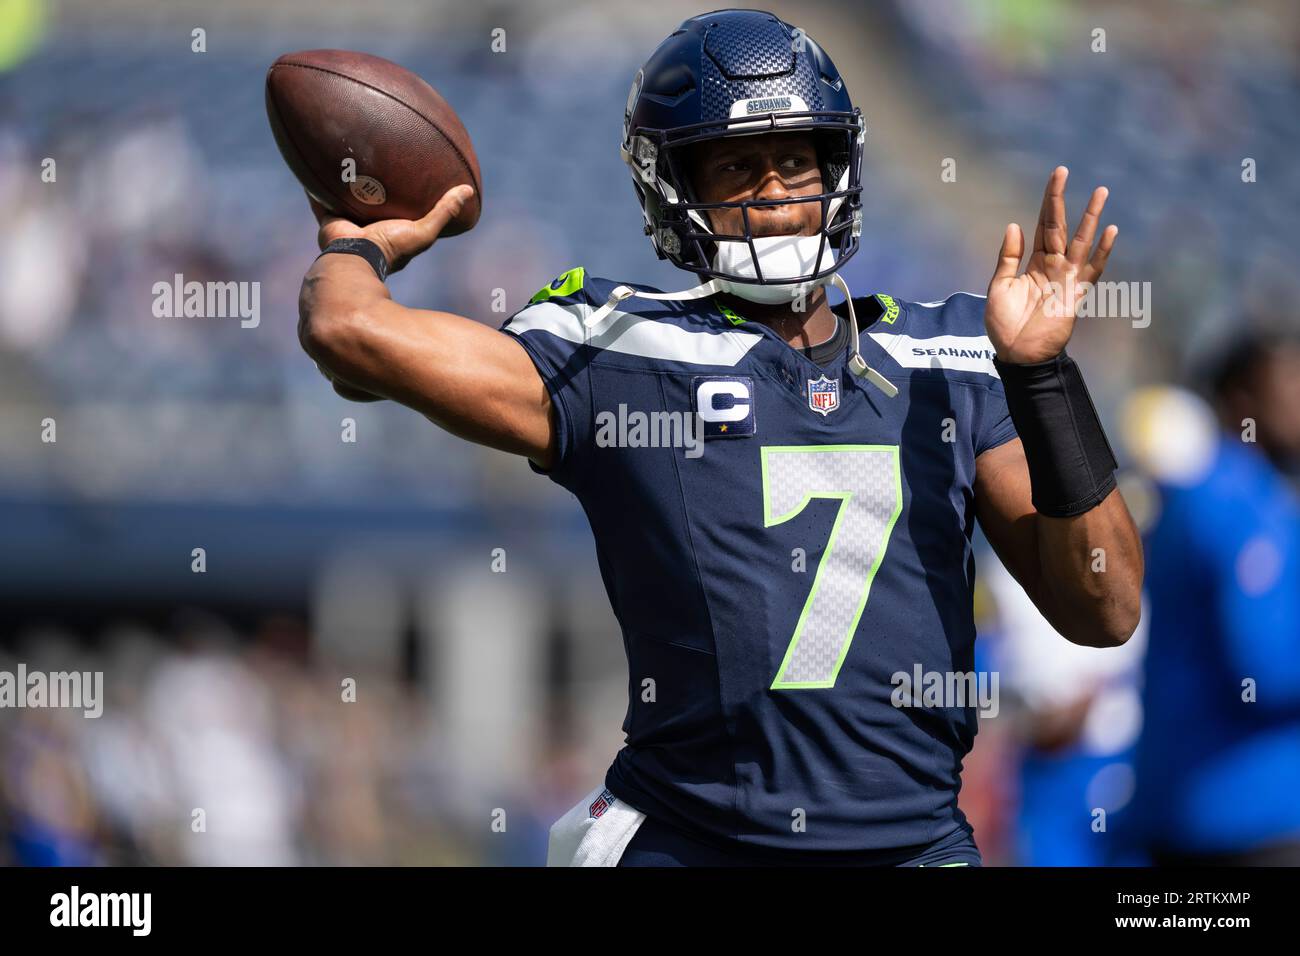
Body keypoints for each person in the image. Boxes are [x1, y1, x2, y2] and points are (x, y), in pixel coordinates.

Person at [296, 9, 1142, 866]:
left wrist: (1043, 374)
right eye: (737, 165)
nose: (774, 191)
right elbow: (349, 334)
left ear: (838, 169)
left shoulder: (949, 352)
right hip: (693, 840)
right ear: (674, 187)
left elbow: (1104, 609)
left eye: (794, 160)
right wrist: (360, 244)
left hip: (915, 846)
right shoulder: (618, 347)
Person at [1124, 338, 1300, 865]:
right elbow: (1268, 669)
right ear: (1241, 398)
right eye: (1289, 383)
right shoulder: (1243, 502)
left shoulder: (1201, 491)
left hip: (1179, 806)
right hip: (1249, 820)